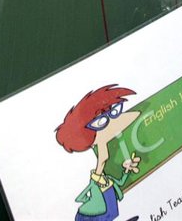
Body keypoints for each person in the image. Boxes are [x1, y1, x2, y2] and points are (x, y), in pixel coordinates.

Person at [55, 85, 142, 221]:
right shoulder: (95, 183)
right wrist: (89, 203)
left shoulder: (107, 178)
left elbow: (119, 182)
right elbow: (80, 197)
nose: (112, 122)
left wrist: (127, 170)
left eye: (114, 112)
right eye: (101, 121)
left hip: (110, 213)